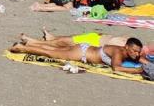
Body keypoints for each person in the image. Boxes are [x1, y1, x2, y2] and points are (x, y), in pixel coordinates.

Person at [8, 35, 145, 73]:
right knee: (50, 53)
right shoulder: (118, 52)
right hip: (81, 53)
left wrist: (146, 63)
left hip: (83, 49)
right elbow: (117, 68)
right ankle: (21, 48)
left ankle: (29, 44)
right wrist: (136, 71)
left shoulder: (127, 53)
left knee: (53, 50)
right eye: (134, 51)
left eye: (138, 52)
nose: (136, 54)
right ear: (126, 47)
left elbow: (142, 60)